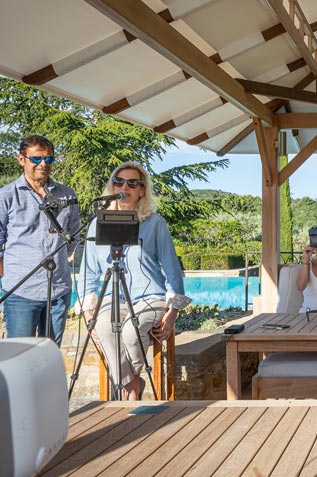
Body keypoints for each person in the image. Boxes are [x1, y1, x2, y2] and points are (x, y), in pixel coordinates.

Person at [79, 163, 189, 400]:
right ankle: (132, 386)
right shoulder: (97, 224)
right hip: (112, 297)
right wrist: (88, 312)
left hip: (151, 297)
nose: (124, 187)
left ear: (142, 190)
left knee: (130, 332)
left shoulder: (155, 223)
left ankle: (125, 387)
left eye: (132, 183)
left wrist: (172, 313)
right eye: (119, 182)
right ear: (112, 187)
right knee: (105, 328)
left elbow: (172, 269)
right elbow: (88, 271)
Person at [0, 135, 80, 345]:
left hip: (59, 290)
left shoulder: (66, 195)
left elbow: (73, 234)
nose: (43, 164)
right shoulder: (6, 196)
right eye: (36, 159)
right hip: (21, 291)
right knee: (19, 356)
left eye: (48, 159)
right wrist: (8, 272)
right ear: (21, 159)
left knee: (50, 358)